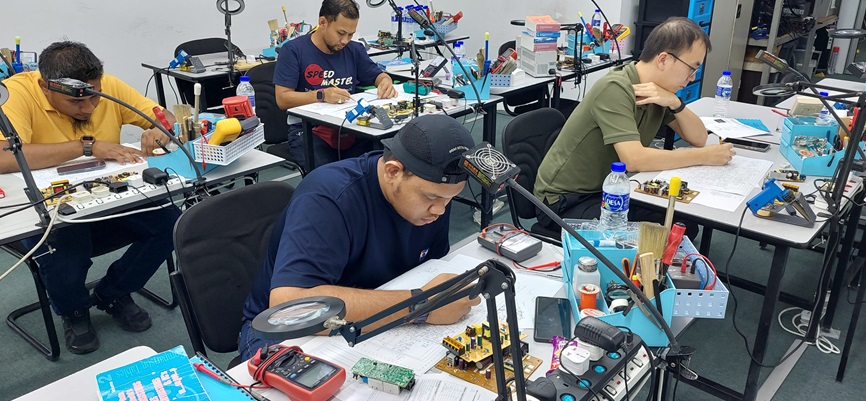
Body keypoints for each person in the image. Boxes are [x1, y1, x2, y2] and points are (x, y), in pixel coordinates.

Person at [239, 115, 479, 360]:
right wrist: (422, 306)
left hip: (374, 312)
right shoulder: (329, 198)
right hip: (279, 333)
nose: (440, 210)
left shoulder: (434, 191)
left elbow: (429, 269)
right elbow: (289, 306)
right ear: (393, 172)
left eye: (449, 199)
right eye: (431, 198)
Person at [0, 41, 181, 354]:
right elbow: (3, 157)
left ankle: (112, 293)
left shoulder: (107, 85)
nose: (89, 107)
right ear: (45, 86)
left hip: (109, 198)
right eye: (76, 101)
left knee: (172, 223)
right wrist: (86, 147)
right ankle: (73, 311)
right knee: (67, 246)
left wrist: (159, 130)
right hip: (49, 213)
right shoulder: (16, 93)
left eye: (95, 96)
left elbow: (162, 115)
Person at [534, 17, 735, 235]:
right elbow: (634, 159)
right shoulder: (615, 88)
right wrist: (704, 156)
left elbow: (699, 138)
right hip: (564, 201)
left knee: (683, 225)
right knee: (664, 233)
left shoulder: (659, 91)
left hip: (609, 188)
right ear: (663, 59)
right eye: (691, 68)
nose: (692, 78)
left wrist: (675, 102)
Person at [274, 0, 398, 168]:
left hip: (349, 127)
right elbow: (283, 99)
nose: (345, 40)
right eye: (341, 33)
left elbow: (378, 76)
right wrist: (322, 95)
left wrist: (385, 81)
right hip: (309, 130)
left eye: (351, 34)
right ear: (322, 22)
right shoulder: (294, 50)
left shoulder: (354, 50)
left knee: (381, 162)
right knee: (329, 176)